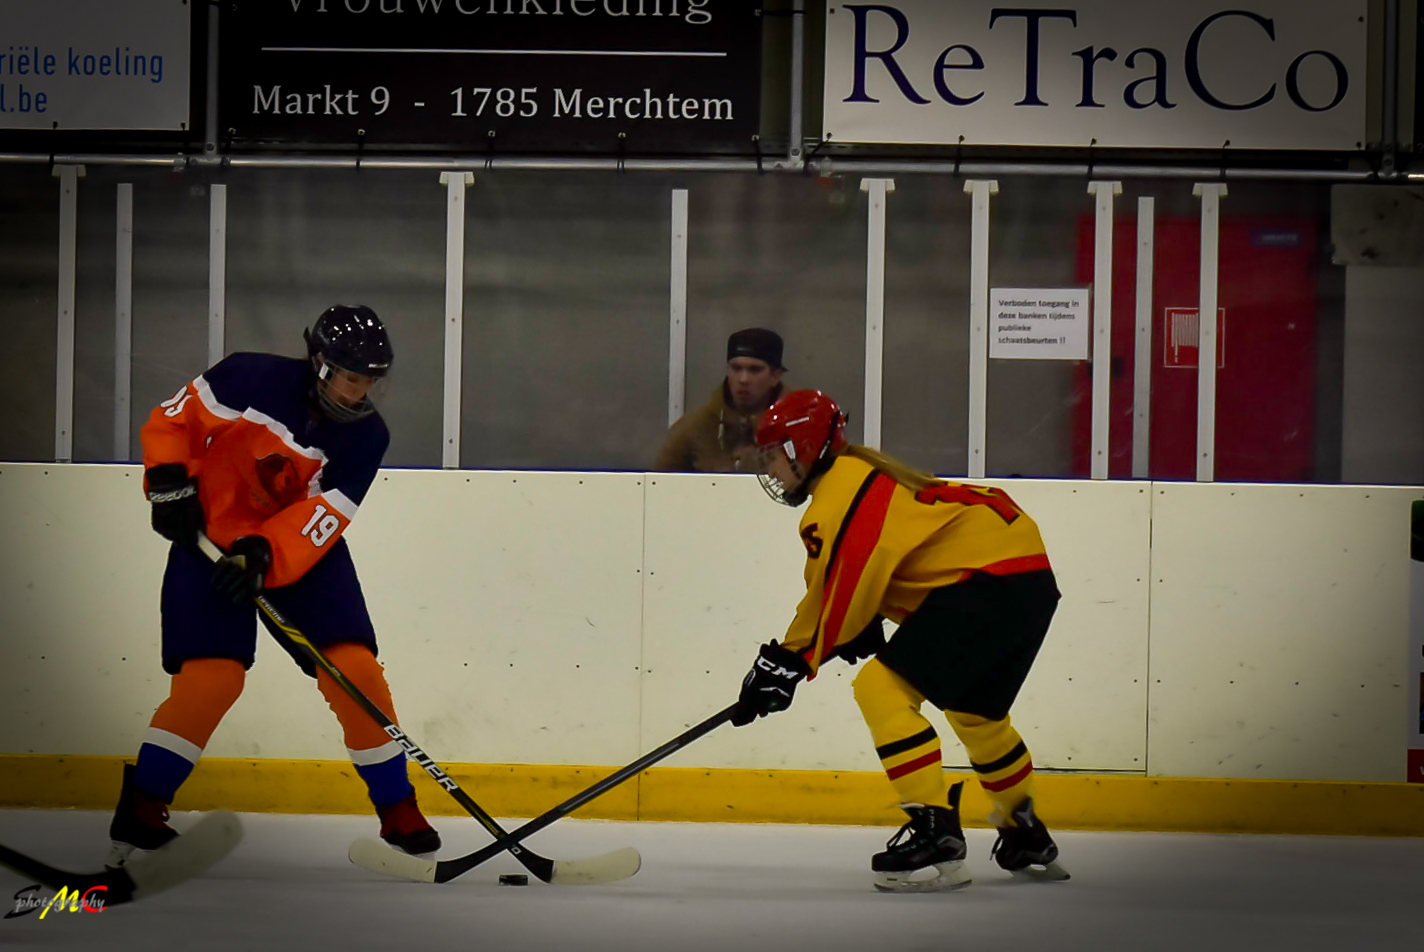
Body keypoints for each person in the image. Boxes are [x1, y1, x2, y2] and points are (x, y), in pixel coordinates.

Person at [107, 305, 441, 868]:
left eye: (370, 382)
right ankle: (141, 806)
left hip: (297, 554)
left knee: (355, 672)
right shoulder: (249, 376)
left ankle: (397, 807)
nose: (359, 392)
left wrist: (265, 552)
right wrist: (167, 482)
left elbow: (323, 516)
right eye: (350, 377)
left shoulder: (367, 436)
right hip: (209, 540)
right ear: (320, 364)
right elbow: (173, 421)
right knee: (212, 680)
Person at [729, 389, 1066, 892]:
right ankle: (1025, 831)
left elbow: (831, 595)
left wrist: (786, 663)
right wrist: (858, 621)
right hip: (1027, 582)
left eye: (774, 456)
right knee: (978, 714)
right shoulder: (868, 475)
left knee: (880, 689)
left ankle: (934, 830)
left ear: (803, 448)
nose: (771, 470)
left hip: (987, 581)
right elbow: (885, 562)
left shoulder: (840, 493)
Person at [655, 328, 786, 473]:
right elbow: (660, 481)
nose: (743, 379)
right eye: (736, 368)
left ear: (775, 376)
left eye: (754, 370)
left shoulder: (796, 426)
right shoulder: (695, 427)